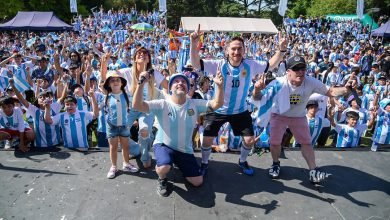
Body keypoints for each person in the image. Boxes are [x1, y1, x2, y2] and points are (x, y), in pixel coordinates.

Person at [190, 24, 288, 176]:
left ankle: (242, 161)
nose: (236, 52)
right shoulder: (218, 64)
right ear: (227, 50)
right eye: (233, 49)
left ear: (244, 50)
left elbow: (271, 65)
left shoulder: (250, 65)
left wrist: (281, 50)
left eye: (239, 48)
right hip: (218, 109)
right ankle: (204, 163)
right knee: (207, 140)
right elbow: (196, 64)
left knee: (249, 140)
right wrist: (193, 44)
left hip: (240, 110)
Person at [252, 55, 357, 183]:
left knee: (306, 143)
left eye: (303, 68)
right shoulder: (278, 83)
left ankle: (313, 170)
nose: (301, 72)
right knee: (274, 142)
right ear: (288, 72)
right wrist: (257, 89)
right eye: (296, 69)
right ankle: (275, 164)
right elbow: (258, 99)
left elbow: (330, 92)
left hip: (298, 116)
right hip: (279, 115)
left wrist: (346, 89)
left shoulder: (310, 81)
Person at [132, 72, 224, 197]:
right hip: (164, 145)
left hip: (185, 150)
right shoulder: (162, 104)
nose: (180, 83)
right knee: (163, 167)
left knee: (197, 182)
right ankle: (162, 178)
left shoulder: (194, 104)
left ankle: (177, 162)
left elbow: (217, 104)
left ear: (188, 88)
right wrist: (141, 83)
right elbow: (137, 105)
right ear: (170, 88)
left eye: (183, 82)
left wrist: (219, 86)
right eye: (176, 81)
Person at [102, 71, 139, 179]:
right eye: (112, 80)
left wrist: (134, 119)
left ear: (122, 83)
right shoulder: (106, 96)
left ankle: (126, 164)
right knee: (113, 147)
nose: (115, 82)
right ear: (109, 84)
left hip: (124, 125)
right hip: (111, 126)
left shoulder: (127, 96)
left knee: (125, 146)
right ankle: (114, 166)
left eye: (117, 80)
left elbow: (133, 108)